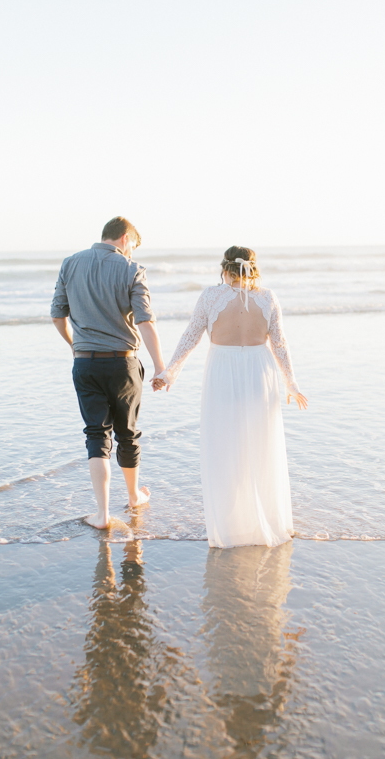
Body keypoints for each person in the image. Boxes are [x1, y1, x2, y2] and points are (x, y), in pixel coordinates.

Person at [153, 246, 307, 548]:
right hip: (260, 372)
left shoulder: (211, 296)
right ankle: (263, 521)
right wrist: (292, 384)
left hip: (222, 371)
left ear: (225, 268)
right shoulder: (267, 297)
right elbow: (280, 345)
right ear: (253, 268)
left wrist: (169, 372)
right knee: (260, 446)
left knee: (224, 445)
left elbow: (191, 336)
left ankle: (231, 524)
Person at [51, 216, 165, 529]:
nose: (132, 253)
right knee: (127, 432)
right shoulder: (131, 269)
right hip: (123, 363)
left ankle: (101, 514)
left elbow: (57, 315)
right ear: (126, 237)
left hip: (85, 361)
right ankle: (133, 496)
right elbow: (145, 320)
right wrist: (159, 366)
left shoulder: (70, 264)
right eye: (134, 247)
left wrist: (75, 346)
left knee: (96, 435)